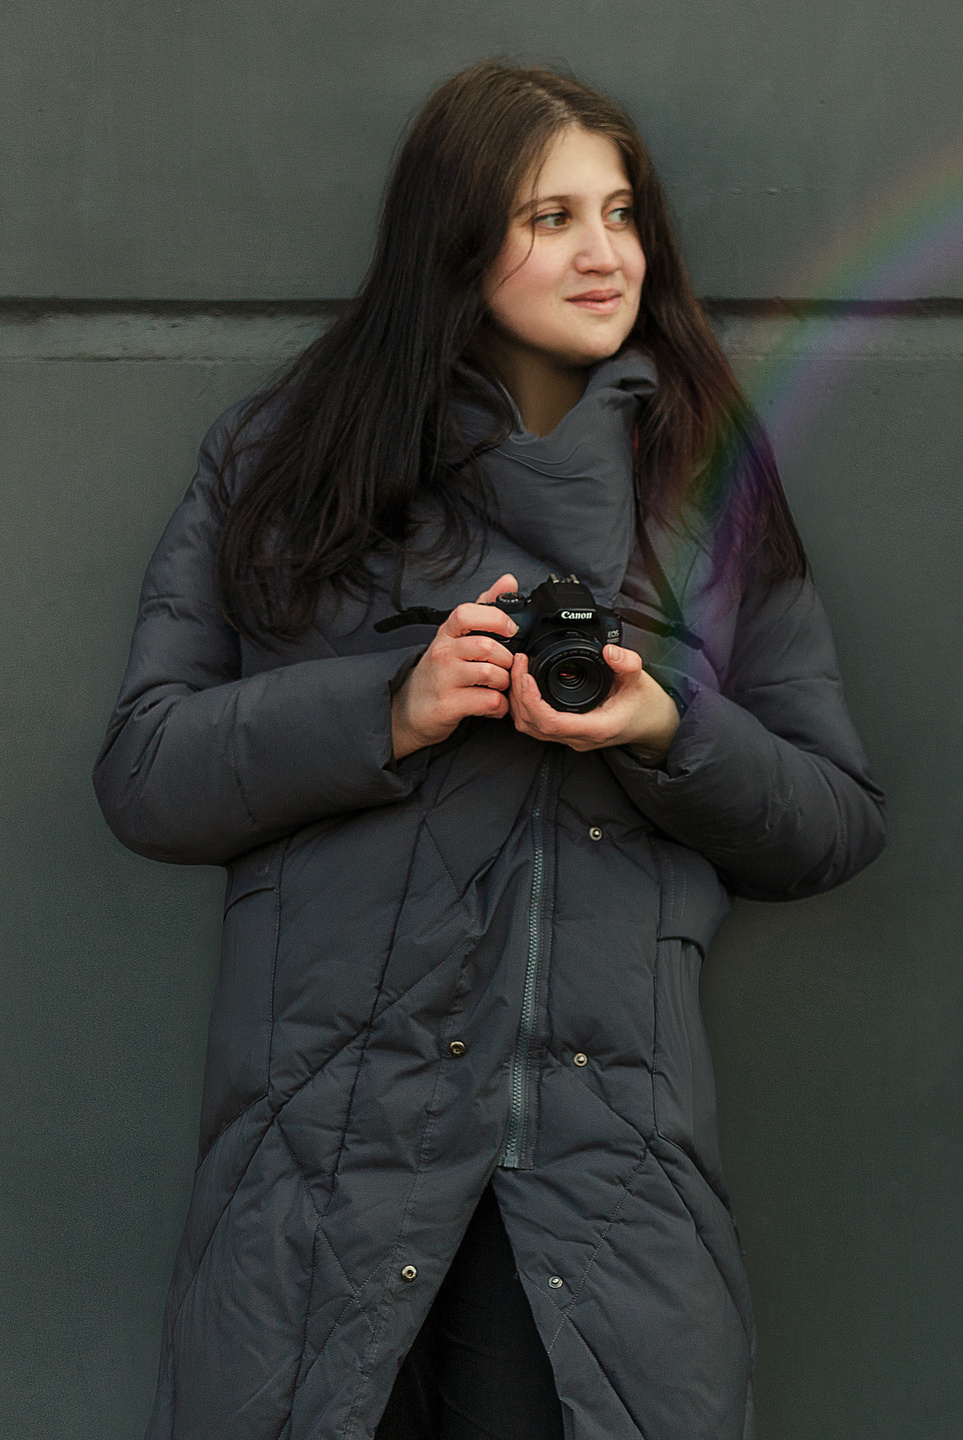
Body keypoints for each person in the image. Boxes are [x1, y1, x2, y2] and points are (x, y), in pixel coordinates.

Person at [93, 60, 886, 1439]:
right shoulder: (285, 461)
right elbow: (147, 776)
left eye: (621, 215)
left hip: (607, 1187)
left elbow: (834, 818)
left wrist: (665, 725)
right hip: (316, 1178)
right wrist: (390, 707)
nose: (603, 255)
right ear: (454, 243)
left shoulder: (702, 479)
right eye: (549, 218)